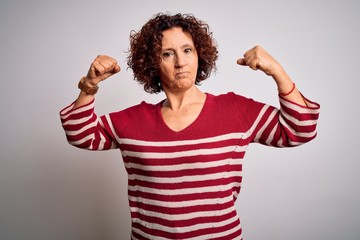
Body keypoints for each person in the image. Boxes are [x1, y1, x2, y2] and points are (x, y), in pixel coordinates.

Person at [60, 13, 320, 240]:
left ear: (199, 55)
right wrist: (91, 84)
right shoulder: (133, 121)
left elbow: (300, 129)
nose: (180, 62)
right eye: (167, 53)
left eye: (187, 50)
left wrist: (277, 71)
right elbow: (79, 133)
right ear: (153, 63)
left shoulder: (235, 111)